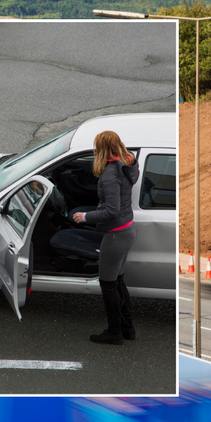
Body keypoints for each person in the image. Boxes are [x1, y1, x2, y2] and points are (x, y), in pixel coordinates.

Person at [72, 131, 139, 345]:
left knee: (108, 284)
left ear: (101, 149)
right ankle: (128, 329)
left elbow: (111, 210)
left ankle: (114, 332)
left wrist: (85, 217)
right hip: (127, 230)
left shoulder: (111, 174)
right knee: (118, 282)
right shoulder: (126, 164)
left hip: (115, 235)